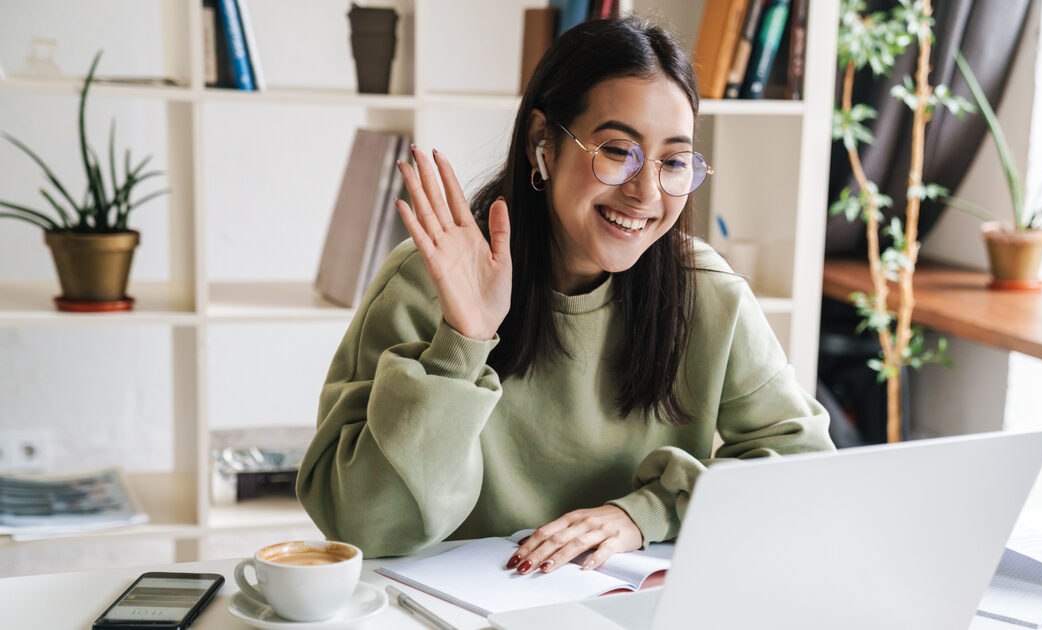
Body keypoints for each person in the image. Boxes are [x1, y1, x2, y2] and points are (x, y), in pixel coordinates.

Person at [297, 16, 833, 576]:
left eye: (673, 161)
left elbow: (806, 470)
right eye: (616, 150)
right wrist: (463, 343)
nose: (646, 191)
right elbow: (365, 527)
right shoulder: (426, 279)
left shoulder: (705, 291)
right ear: (543, 144)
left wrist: (648, 512)